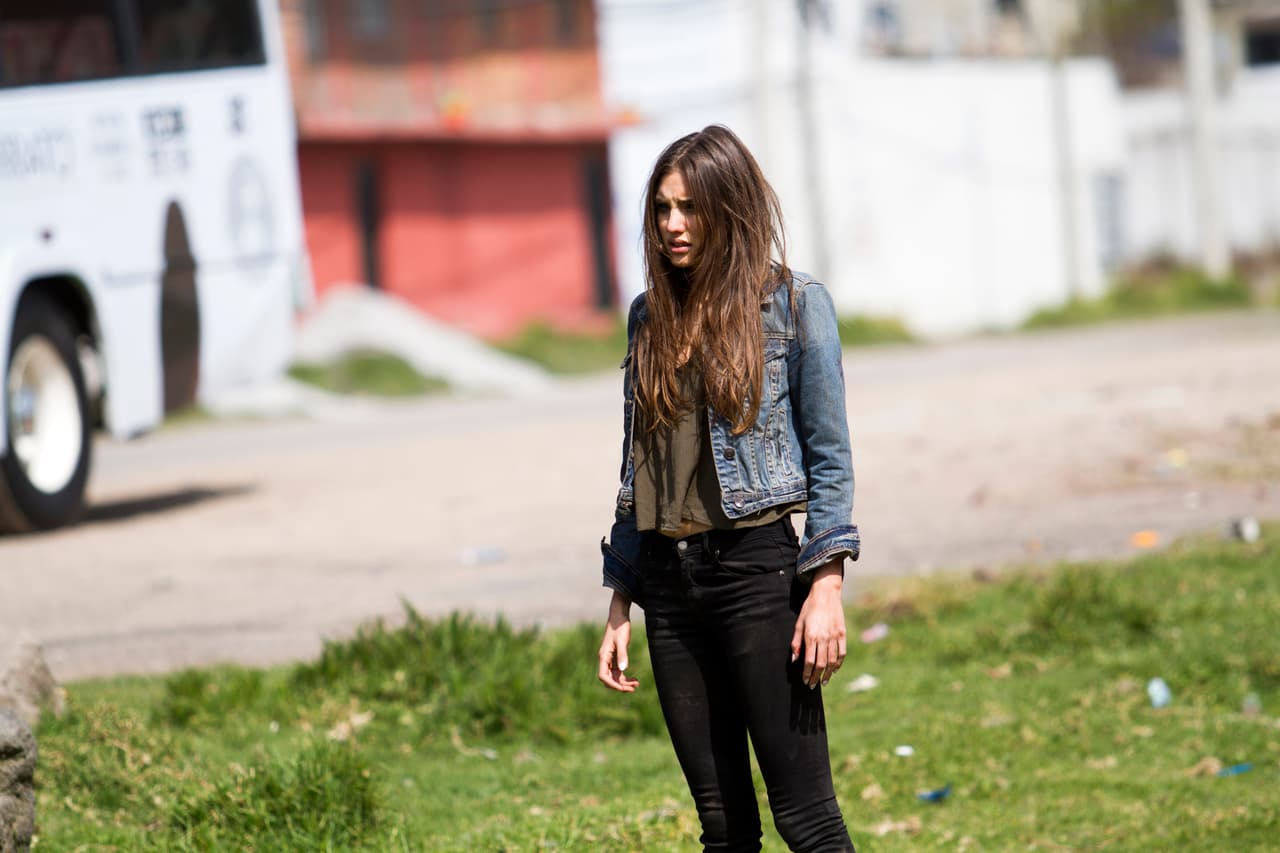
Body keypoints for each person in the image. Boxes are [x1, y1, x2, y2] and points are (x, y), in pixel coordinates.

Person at [596, 125, 860, 853]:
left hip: (756, 575)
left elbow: (831, 459)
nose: (673, 224)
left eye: (690, 207)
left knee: (805, 819)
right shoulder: (650, 316)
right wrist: (621, 597)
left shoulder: (796, 305)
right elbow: (635, 465)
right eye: (662, 208)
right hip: (670, 591)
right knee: (722, 826)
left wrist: (826, 584)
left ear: (729, 207)